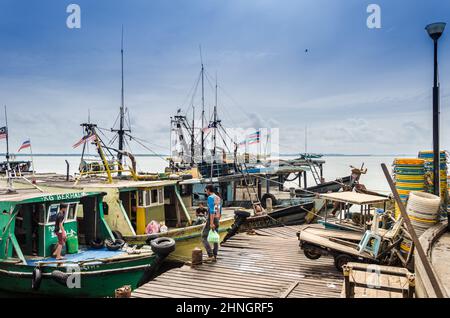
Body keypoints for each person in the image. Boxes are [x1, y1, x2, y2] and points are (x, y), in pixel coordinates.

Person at [201, 185, 222, 262]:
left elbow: (212, 211)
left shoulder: (210, 198)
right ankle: (215, 255)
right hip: (217, 217)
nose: (206, 192)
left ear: (209, 190)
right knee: (215, 237)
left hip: (212, 218)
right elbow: (219, 210)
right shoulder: (218, 197)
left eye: (206, 191)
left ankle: (210, 255)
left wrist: (211, 223)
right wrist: (218, 219)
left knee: (203, 236)